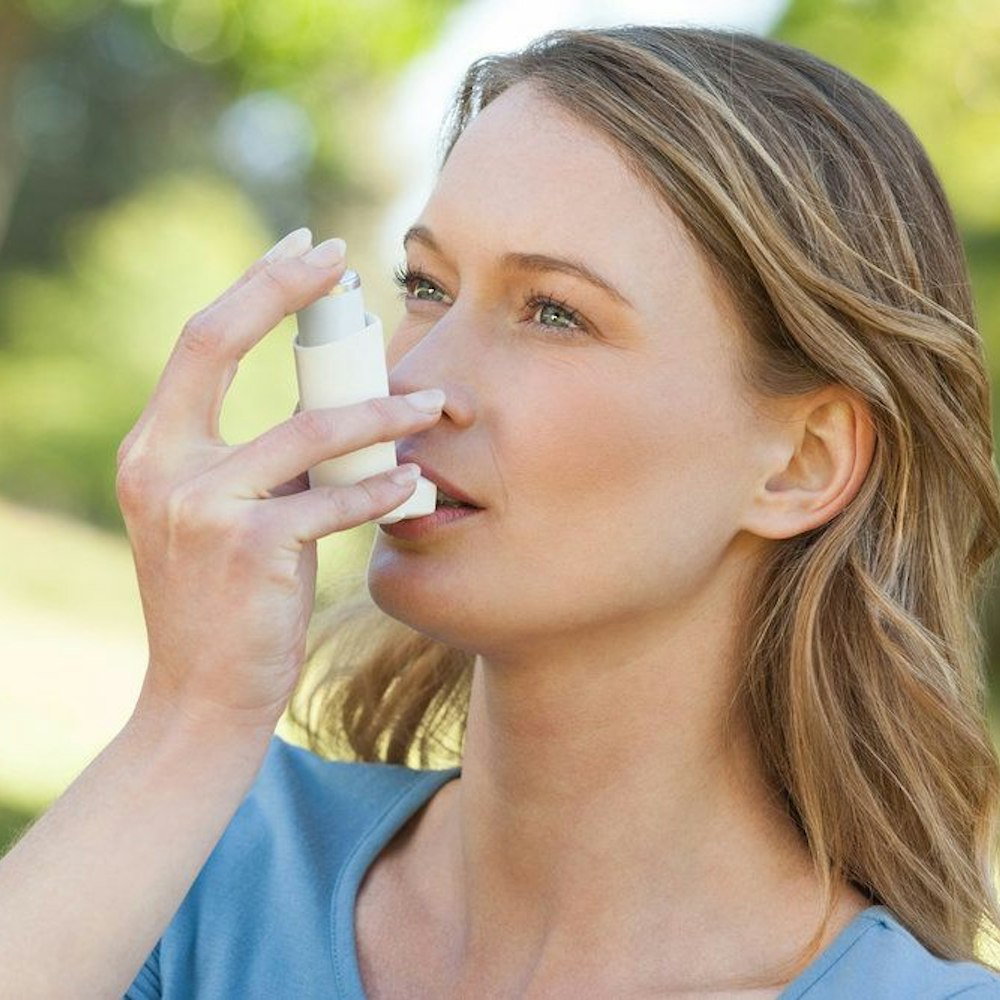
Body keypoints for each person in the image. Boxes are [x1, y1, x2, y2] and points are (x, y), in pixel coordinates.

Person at [2, 23, 1000, 998]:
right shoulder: (195, 854)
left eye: (554, 312)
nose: (412, 381)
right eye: (425, 287)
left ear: (800, 462)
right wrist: (190, 717)